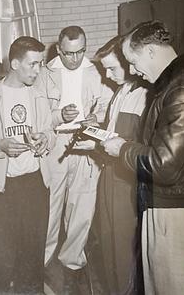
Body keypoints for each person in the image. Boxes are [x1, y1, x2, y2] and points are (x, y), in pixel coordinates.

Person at [102, 20, 184, 295]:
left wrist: (121, 149)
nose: (133, 71)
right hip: (166, 206)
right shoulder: (173, 85)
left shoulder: (181, 90)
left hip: (177, 214)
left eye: (133, 61)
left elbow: (164, 165)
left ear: (152, 52)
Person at [0, 36, 56, 294]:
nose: (38, 70)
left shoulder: (39, 95)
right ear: (15, 63)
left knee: (32, 258)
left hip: (35, 185)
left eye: (40, 64)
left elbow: (49, 132)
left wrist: (45, 140)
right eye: (33, 64)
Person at [36, 25, 112, 294]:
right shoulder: (45, 74)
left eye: (81, 51)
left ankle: (72, 262)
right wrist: (58, 114)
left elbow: (106, 104)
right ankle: (43, 261)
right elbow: (37, 112)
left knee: (82, 205)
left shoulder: (95, 72)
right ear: (59, 49)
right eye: (69, 53)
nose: (75, 58)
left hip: (85, 144)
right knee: (51, 205)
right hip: (56, 144)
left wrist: (97, 117)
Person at [91, 36, 147, 295]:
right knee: (108, 242)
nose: (108, 76)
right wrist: (92, 141)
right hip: (109, 175)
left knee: (125, 249)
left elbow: (139, 146)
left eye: (112, 68)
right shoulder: (120, 92)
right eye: (104, 70)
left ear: (129, 62)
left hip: (128, 181)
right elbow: (111, 134)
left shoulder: (146, 95)